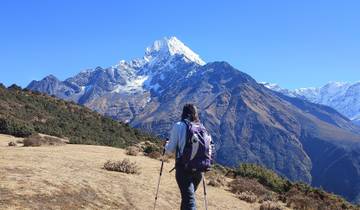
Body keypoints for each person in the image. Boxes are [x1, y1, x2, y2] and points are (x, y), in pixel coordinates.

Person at [165, 104, 210, 210]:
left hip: (183, 169)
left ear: (183, 113)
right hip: (198, 170)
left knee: (189, 201)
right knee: (187, 199)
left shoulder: (179, 125)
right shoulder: (201, 127)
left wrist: (166, 145)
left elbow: (170, 151)